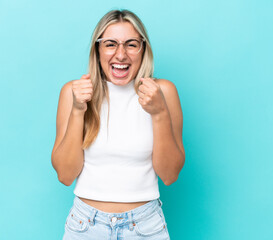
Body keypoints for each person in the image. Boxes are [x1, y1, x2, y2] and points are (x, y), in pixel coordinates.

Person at [51, 9, 185, 239]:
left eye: (131, 44)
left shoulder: (163, 92)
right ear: (98, 49)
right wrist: (77, 111)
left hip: (145, 227)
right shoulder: (73, 92)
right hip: (85, 226)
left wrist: (160, 112)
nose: (121, 55)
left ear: (143, 49)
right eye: (110, 44)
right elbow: (65, 175)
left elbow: (170, 175)